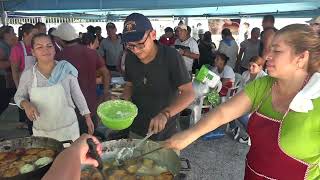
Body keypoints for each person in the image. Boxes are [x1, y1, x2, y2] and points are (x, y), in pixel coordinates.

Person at [165, 24, 320, 179]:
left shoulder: (316, 99)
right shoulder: (264, 84)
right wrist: (189, 135)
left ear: (301, 57)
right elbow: (223, 112)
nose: (267, 56)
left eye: (277, 51)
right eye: (269, 49)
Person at [121, 13, 195, 141]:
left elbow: (189, 93)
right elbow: (129, 85)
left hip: (166, 131)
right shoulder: (130, 57)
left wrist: (165, 114)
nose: (135, 50)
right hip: (136, 128)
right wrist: (124, 102)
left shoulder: (171, 56)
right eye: (130, 45)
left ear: (153, 35)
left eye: (140, 44)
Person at [14, 33, 93, 141]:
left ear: (54, 49)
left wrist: (87, 117)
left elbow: (77, 94)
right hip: (42, 131)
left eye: (49, 46)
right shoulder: (28, 75)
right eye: (39, 47)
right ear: (33, 52)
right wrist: (25, 104)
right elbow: (18, 96)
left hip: (68, 129)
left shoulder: (66, 69)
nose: (45, 50)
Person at [53, 23, 110, 135]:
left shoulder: (58, 57)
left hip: (69, 109)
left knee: (72, 143)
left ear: (60, 39)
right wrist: (105, 92)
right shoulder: (91, 53)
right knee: (89, 140)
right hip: (91, 106)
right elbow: (106, 73)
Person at [228, 56, 267, 144]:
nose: (250, 68)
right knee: (228, 107)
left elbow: (262, 97)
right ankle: (234, 128)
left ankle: (252, 135)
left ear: (260, 67)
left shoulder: (264, 78)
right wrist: (235, 101)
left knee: (241, 115)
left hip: (258, 104)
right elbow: (240, 90)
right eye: (249, 65)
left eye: (254, 66)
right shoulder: (245, 74)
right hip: (244, 101)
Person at [10, 23, 38, 134]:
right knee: (28, 110)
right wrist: (18, 87)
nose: (36, 37)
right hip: (23, 83)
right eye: (33, 34)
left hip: (35, 84)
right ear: (25, 34)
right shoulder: (17, 48)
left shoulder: (34, 46)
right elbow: (14, 70)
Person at [0, 26, 17, 115]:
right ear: (6, 34)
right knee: (3, 102)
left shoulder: (9, 45)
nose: (14, 34)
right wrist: (13, 61)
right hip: (2, 78)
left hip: (7, 78)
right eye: (12, 32)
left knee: (4, 102)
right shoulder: (1, 45)